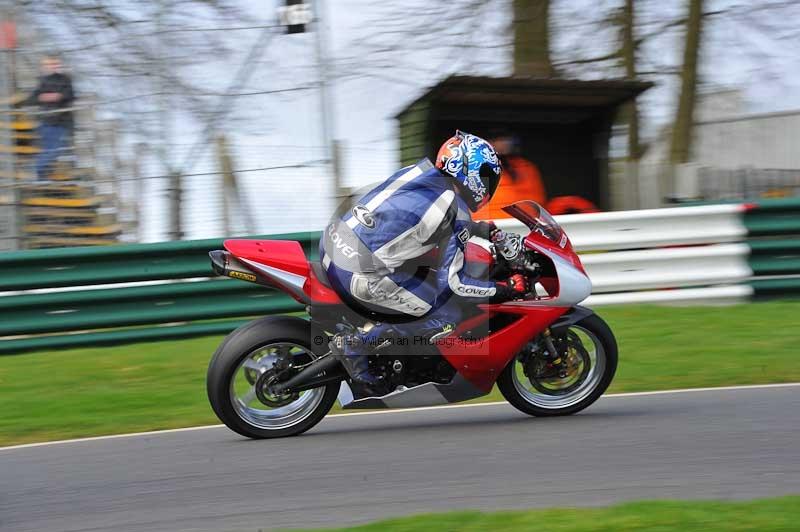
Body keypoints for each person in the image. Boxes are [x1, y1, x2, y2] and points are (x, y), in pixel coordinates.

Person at [320, 131, 530, 393]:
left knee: (419, 282)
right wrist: (506, 288)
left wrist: (478, 230)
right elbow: (454, 285)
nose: (489, 184)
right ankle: (356, 345)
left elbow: (415, 216)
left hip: (334, 244)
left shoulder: (419, 172)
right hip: (358, 273)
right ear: (469, 169)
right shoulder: (455, 208)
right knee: (446, 315)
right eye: (486, 174)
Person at [473, 131, 546, 221]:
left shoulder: (527, 168)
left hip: (525, 225)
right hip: (493, 227)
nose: (502, 143)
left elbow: (537, 204)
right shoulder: (475, 169)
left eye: (504, 139)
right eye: (496, 139)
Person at [23, 55, 75, 180]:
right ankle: (38, 174)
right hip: (46, 121)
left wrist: (57, 96)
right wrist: (42, 97)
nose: (52, 67)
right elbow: (32, 99)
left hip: (61, 121)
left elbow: (70, 95)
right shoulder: (42, 81)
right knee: (50, 150)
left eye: (55, 64)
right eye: (48, 65)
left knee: (56, 150)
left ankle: (38, 173)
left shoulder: (65, 79)